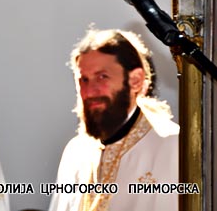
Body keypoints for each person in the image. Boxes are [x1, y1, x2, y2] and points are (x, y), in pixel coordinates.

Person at [49, 28, 179, 211]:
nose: (90, 91)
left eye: (102, 77)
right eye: (83, 80)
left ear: (135, 80)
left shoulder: (173, 147)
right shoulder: (75, 152)